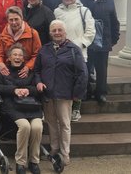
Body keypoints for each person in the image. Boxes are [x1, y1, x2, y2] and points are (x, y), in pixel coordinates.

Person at [34, 20, 88, 166]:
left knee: (64, 124)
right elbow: (37, 70)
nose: (57, 33)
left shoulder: (73, 49)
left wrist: (77, 94)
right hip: (48, 94)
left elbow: (82, 73)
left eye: (59, 30)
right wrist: (38, 82)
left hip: (65, 94)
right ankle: (54, 149)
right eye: (54, 30)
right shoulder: (44, 49)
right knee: (51, 123)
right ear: (50, 33)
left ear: (65, 32)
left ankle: (65, 154)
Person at [0, 43, 43, 174]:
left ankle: (34, 161)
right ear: (9, 57)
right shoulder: (2, 71)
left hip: (31, 105)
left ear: (24, 58)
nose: (17, 57)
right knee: (25, 126)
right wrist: (14, 90)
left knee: (37, 127)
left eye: (20, 55)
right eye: (15, 54)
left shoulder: (29, 72)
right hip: (11, 105)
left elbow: (37, 89)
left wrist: (28, 90)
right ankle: (21, 162)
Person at [54, 0, 95, 122]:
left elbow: (90, 31)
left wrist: (81, 44)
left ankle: (76, 109)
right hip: (61, 52)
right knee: (64, 81)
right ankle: (64, 109)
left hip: (79, 52)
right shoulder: (57, 12)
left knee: (79, 81)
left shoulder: (84, 11)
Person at [79, 0, 120, 104]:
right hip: (86, 41)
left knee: (102, 69)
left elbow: (114, 21)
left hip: (103, 40)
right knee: (85, 68)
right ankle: (86, 92)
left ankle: (101, 93)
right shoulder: (80, 0)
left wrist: (114, 38)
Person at [0, 6, 42, 78]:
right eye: (11, 20)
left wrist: (28, 67)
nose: (14, 22)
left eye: (16, 19)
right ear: (7, 20)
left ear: (22, 18)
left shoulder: (33, 34)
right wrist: (0, 63)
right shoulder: (2, 36)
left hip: (27, 71)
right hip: (8, 71)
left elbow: (37, 55)